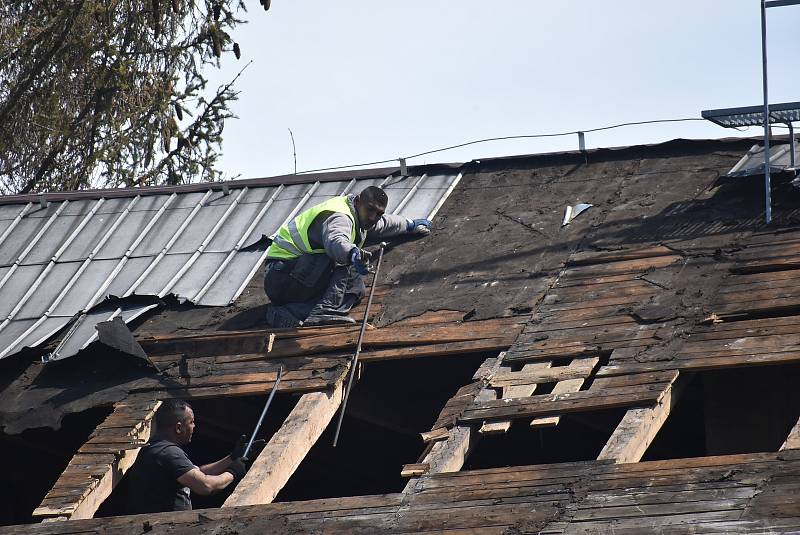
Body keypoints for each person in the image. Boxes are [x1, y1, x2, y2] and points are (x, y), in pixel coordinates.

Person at [263, 185, 432, 327]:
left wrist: (411, 225)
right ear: (358, 201)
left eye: (378, 213)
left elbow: (385, 224)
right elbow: (336, 241)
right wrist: (352, 253)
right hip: (281, 277)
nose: (373, 217)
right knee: (341, 260)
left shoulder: (361, 214)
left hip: (300, 279)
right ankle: (324, 311)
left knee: (355, 290)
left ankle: (292, 312)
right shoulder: (340, 216)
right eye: (370, 209)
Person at [125, 399, 262, 514]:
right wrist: (233, 472)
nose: (194, 426)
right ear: (178, 428)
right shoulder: (168, 452)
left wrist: (232, 457)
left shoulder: (154, 449)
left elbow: (197, 473)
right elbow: (205, 485)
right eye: (191, 422)